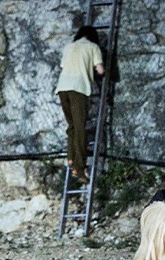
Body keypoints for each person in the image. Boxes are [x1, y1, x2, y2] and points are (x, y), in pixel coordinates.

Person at [55, 25, 105, 183]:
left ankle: (71, 158)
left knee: (71, 126)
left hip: (62, 88)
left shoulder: (69, 47)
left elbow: (63, 66)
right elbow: (100, 70)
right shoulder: (93, 47)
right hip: (78, 88)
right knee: (80, 128)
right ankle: (79, 167)